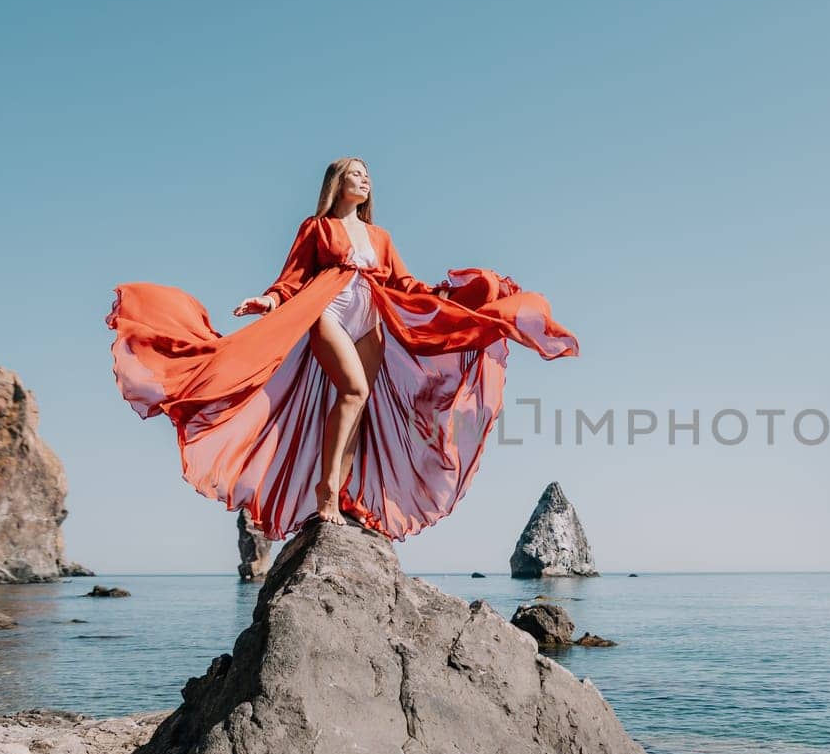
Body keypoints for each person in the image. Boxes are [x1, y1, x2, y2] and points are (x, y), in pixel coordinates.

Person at [105, 156, 579, 541]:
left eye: (368, 176)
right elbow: (293, 278)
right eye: (355, 174)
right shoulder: (316, 227)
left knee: (360, 403)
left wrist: (441, 294)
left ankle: (345, 495)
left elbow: (402, 280)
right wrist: (267, 300)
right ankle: (326, 492)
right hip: (328, 309)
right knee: (352, 391)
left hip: (370, 313)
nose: (364, 180)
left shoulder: (380, 237)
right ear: (337, 184)